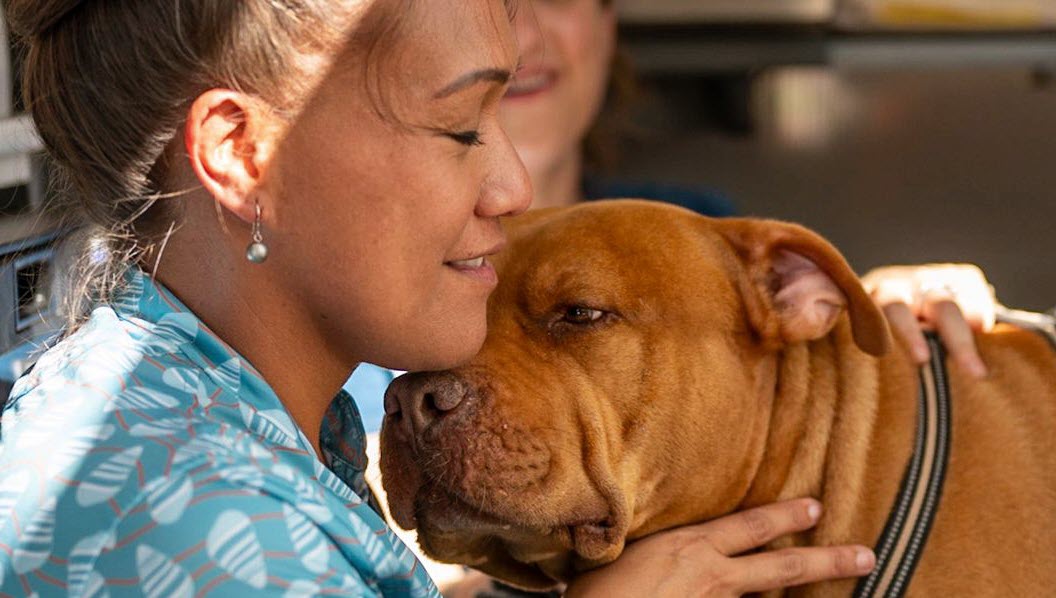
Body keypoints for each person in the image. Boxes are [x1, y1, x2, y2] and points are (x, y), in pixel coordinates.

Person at [0, 1, 882, 596]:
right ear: (239, 151)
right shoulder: (217, 536)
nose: (513, 185)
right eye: (461, 128)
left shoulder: (178, 419)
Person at [346, 0, 992, 432]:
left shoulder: (702, 233)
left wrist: (868, 308)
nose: (521, 37)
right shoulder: (333, 284)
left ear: (609, 24)